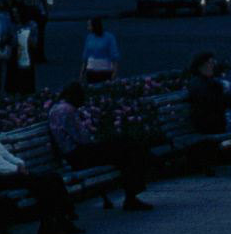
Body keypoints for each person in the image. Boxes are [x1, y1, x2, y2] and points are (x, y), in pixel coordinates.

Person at [0, 97, 82, 234]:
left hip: (5, 175)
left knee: (52, 178)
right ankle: (50, 224)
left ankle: (62, 219)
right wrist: (17, 169)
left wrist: (19, 163)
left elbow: (5, 155)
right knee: (41, 182)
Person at [47, 82, 154, 210]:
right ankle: (131, 196)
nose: (82, 101)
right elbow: (83, 139)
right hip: (79, 155)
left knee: (126, 148)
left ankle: (131, 196)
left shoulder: (56, 109)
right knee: (128, 148)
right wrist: (93, 132)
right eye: (81, 97)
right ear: (73, 96)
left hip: (75, 154)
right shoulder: (67, 110)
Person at [3, 4, 39, 97]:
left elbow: (34, 43)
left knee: (26, 78)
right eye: (13, 13)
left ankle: (25, 95)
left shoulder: (31, 25)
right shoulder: (11, 24)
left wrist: (26, 37)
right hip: (14, 51)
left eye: (17, 13)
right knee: (12, 77)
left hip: (26, 51)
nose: (15, 15)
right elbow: (6, 38)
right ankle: (13, 95)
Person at [81, 16, 120, 84]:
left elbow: (114, 56)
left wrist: (115, 72)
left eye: (89, 26)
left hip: (105, 71)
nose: (88, 28)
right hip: (91, 71)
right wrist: (82, 72)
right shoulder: (89, 37)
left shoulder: (109, 37)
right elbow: (85, 56)